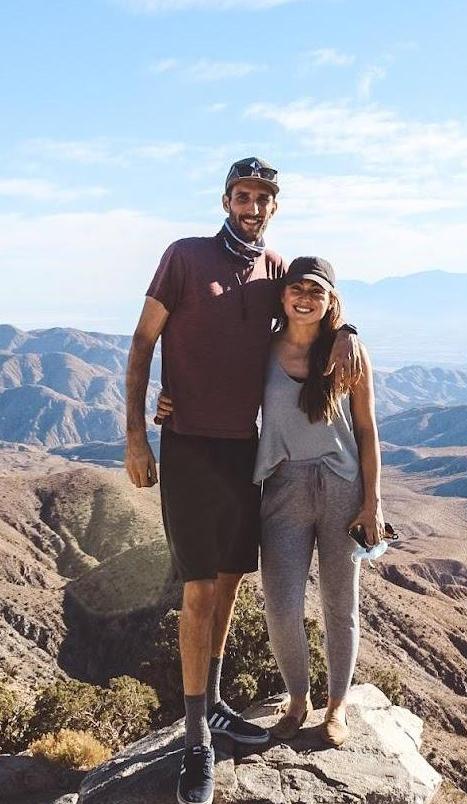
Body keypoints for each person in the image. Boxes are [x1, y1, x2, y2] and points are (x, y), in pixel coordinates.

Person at [124, 158, 360, 804]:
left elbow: (318, 306)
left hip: (245, 454)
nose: (252, 206)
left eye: (262, 198)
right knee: (199, 592)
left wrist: (352, 332)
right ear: (226, 199)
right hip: (190, 450)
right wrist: (137, 433)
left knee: (230, 583)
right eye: (243, 196)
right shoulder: (185, 257)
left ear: (274, 207)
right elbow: (143, 342)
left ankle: (217, 702)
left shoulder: (276, 269)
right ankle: (196, 740)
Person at [253, 256, 384, 748]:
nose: (304, 298)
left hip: (342, 488)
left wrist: (373, 502)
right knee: (281, 604)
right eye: (296, 289)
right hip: (283, 487)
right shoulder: (262, 348)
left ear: (330, 300)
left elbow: (368, 431)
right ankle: (296, 700)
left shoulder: (349, 352)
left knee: (339, 603)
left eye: (316, 291)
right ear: (283, 295)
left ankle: (336, 707)